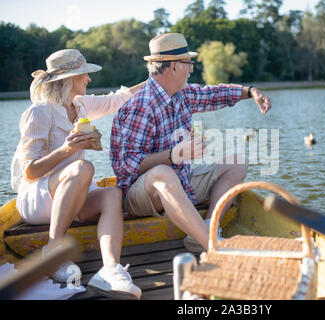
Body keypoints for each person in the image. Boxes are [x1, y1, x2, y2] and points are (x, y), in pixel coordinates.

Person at [110, 33, 272, 253]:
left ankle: (207, 230)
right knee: (163, 172)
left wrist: (251, 92)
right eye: (189, 63)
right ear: (174, 67)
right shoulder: (142, 106)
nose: (192, 69)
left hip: (180, 181)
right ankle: (213, 247)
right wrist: (174, 155)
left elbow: (214, 94)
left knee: (237, 162)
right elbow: (124, 165)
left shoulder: (182, 94)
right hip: (140, 196)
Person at [11, 49, 144, 300]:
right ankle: (53, 250)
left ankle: (110, 270)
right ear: (69, 78)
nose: (89, 79)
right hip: (37, 198)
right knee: (84, 167)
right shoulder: (39, 112)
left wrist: (157, 77)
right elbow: (29, 171)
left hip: (72, 192)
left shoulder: (81, 105)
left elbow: (119, 98)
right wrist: (68, 149)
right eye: (84, 74)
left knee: (111, 194)